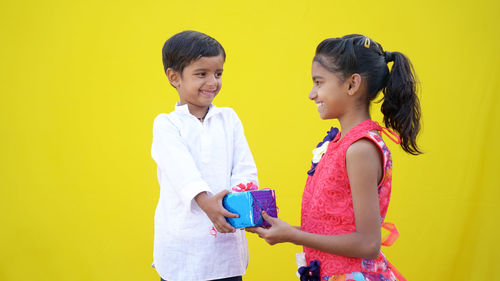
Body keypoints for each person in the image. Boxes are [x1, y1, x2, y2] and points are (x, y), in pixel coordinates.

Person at [246, 34, 421, 281]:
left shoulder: (360, 148)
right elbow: (335, 231)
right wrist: (285, 231)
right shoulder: (341, 143)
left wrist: (293, 235)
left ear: (352, 84)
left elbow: (368, 244)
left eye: (319, 82)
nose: (311, 93)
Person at [151, 30, 258, 281]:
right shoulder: (167, 124)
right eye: (202, 74)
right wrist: (206, 202)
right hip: (183, 245)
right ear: (174, 77)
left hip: (226, 242)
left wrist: (245, 206)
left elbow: (244, 166)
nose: (213, 82)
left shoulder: (228, 118)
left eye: (218, 73)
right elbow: (182, 172)